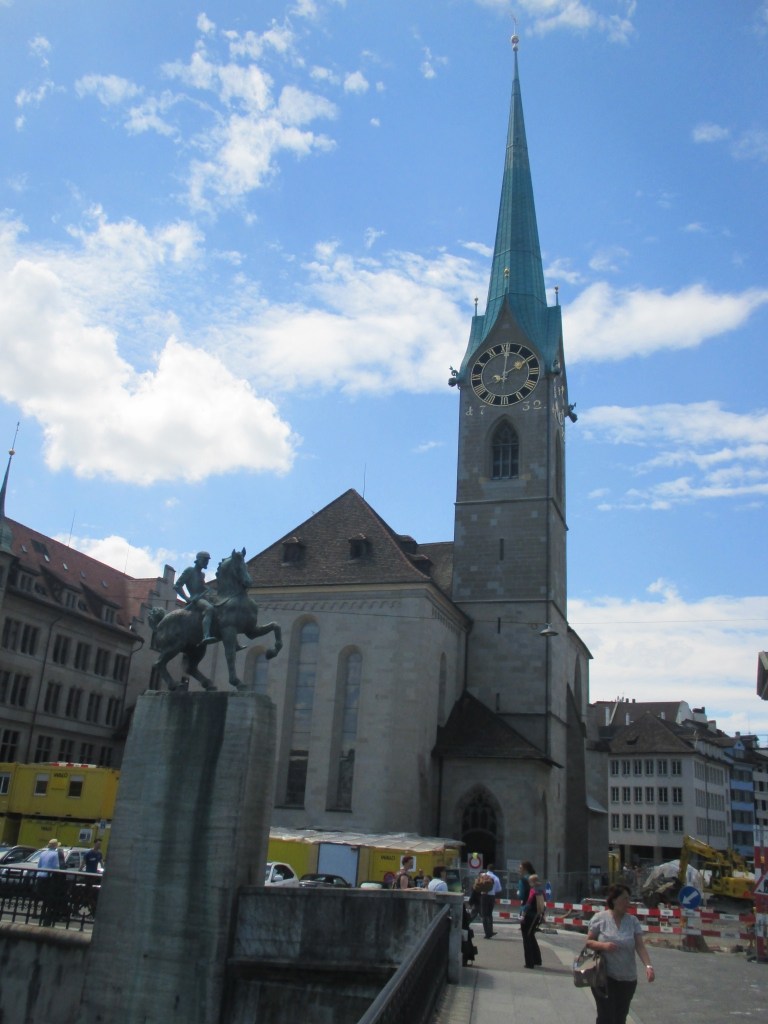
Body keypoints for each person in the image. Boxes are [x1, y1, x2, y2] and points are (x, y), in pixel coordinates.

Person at [585, 882, 655, 1024]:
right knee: (605, 1016)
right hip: (604, 976)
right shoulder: (600, 918)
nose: (628, 902)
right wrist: (603, 946)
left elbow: (640, 946)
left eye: (629, 899)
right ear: (614, 899)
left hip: (628, 979)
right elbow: (588, 942)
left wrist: (648, 966)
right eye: (624, 898)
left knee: (620, 1017)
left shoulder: (632, 921)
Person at [174, 551, 216, 644]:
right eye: (205, 560)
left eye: (207, 561)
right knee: (209, 608)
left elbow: (202, 587)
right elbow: (177, 586)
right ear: (199, 560)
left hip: (204, 597)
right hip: (196, 598)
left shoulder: (202, 575)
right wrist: (187, 598)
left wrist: (210, 590)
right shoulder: (189, 571)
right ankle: (206, 635)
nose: (206, 563)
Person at [37, 838, 66, 927]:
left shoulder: (43, 853)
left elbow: (39, 865)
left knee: (43, 897)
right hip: (49, 877)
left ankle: (41, 914)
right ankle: (48, 916)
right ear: (55, 846)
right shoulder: (55, 854)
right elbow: (56, 867)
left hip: (40, 876)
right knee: (50, 897)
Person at [521, 872, 544, 968]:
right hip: (537, 916)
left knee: (526, 938)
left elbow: (528, 903)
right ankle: (537, 959)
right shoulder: (541, 891)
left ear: (532, 882)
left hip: (529, 916)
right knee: (532, 936)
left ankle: (529, 962)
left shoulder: (533, 891)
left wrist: (523, 914)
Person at [480, 863, 501, 938]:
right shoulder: (496, 878)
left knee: (484, 915)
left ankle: (487, 933)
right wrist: (493, 890)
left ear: (487, 869)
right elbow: (499, 889)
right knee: (489, 914)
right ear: (493, 870)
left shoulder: (482, 875)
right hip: (492, 896)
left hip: (483, 896)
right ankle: (490, 931)